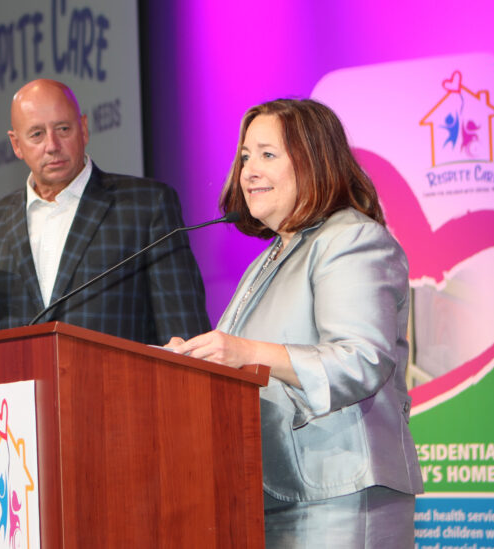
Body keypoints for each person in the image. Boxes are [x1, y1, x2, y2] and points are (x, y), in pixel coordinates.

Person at [166, 99, 423, 548]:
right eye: (245, 156)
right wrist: (187, 364)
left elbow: (360, 359)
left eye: (268, 154)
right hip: (274, 494)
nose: (248, 171)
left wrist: (243, 351)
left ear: (315, 161)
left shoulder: (351, 239)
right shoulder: (270, 258)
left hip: (340, 496)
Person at [0, 79, 211, 358]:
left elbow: (184, 335)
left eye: (63, 129)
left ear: (83, 129)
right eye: (36, 135)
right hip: (23, 409)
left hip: (120, 404)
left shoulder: (145, 206)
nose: (52, 145)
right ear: (16, 144)